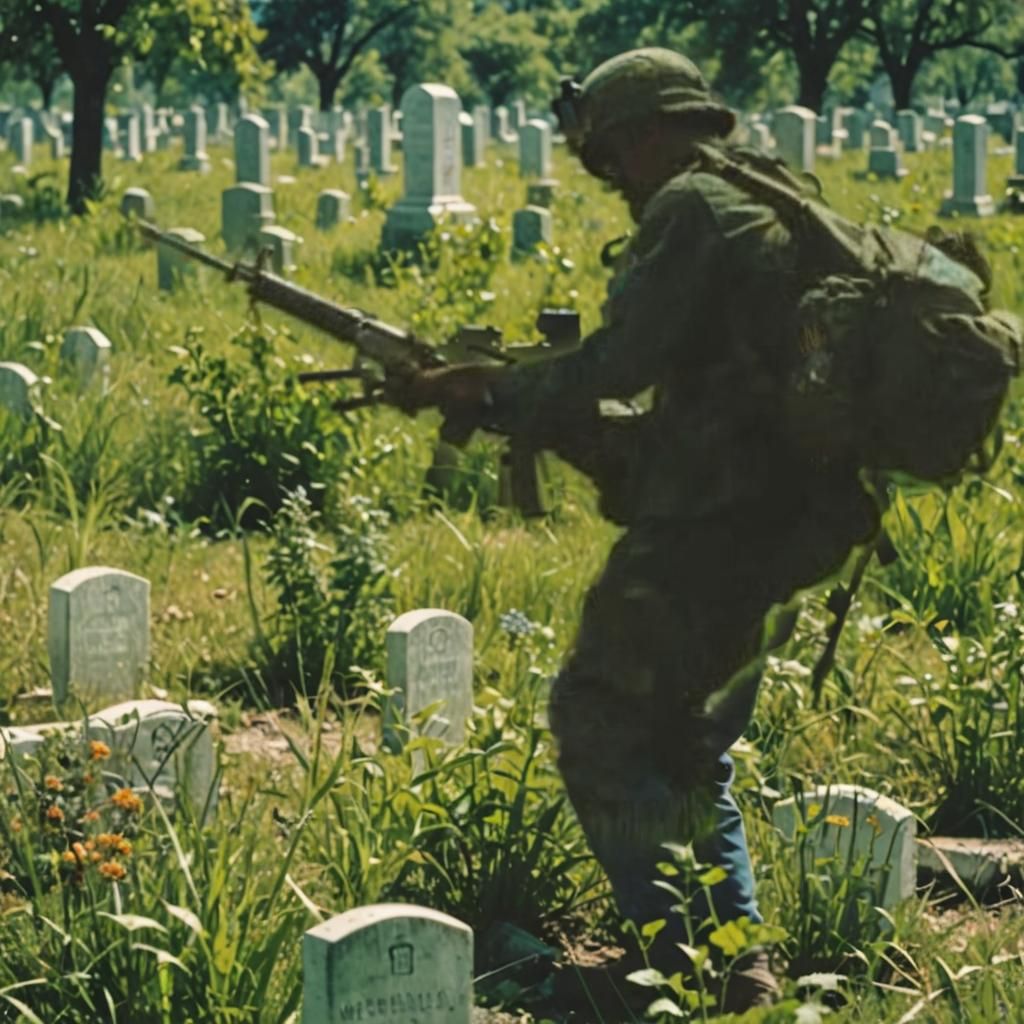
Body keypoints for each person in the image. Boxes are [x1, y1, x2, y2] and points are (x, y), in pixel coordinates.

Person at [393, 48, 888, 1012]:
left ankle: (676, 967)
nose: (609, 177)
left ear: (649, 129)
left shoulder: (692, 208)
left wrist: (494, 387)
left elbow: (619, 360)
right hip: (797, 522)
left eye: (610, 154)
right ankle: (734, 969)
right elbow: (710, 381)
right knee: (688, 738)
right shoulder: (771, 196)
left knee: (597, 720)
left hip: (717, 526)